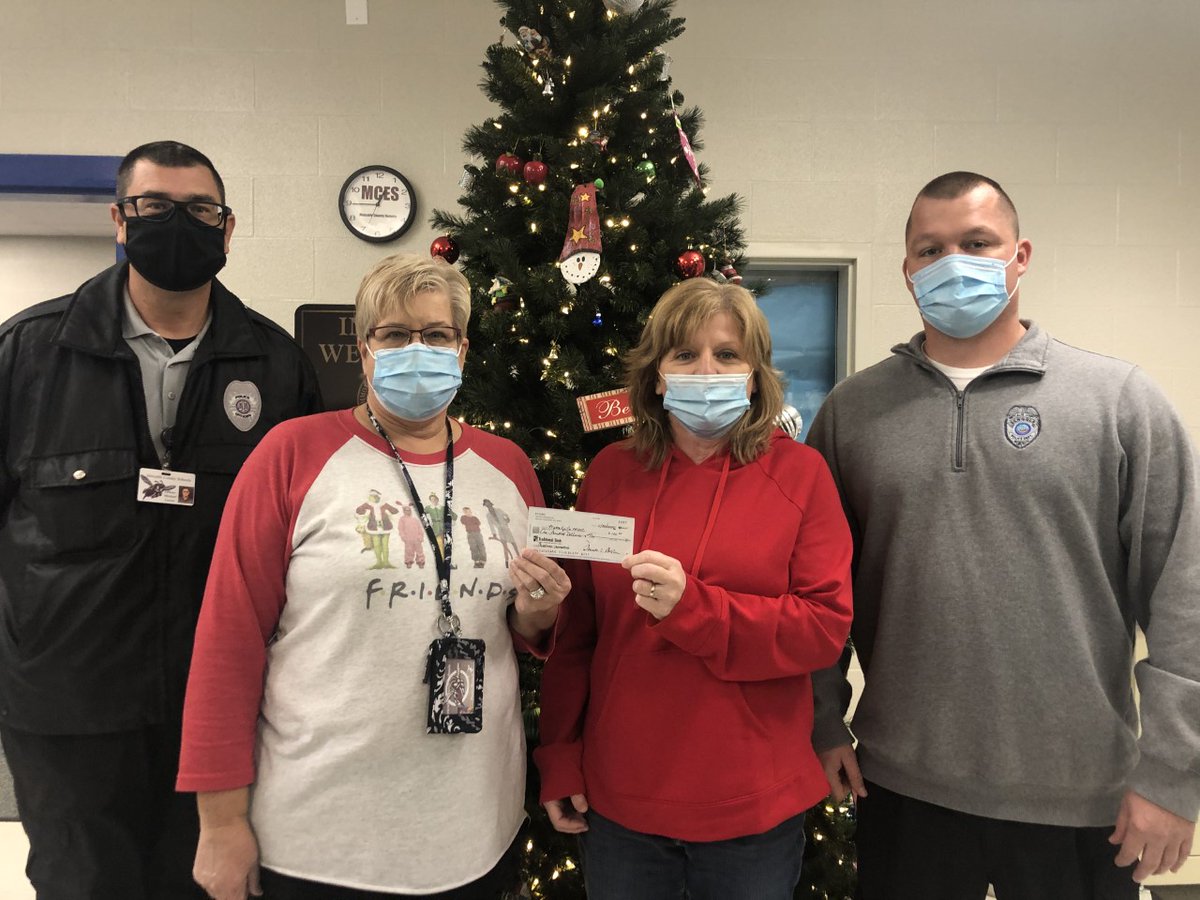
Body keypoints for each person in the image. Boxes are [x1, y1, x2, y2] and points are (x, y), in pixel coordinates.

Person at [807, 171, 1200, 899]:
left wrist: (1174, 775)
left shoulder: (1119, 403)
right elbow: (818, 590)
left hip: (1081, 799)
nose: (952, 261)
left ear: (1019, 256)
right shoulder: (852, 413)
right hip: (902, 789)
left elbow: (1186, 596)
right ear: (907, 270)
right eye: (930, 249)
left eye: (976, 243)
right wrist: (824, 718)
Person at [177, 253, 570, 900]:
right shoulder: (291, 455)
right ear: (363, 351)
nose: (418, 349)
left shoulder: (508, 466)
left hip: (473, 829)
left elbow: (516, 625)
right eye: (394, 335)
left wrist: (536, 613)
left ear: (464, 350)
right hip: (322, 837)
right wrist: (220, 823)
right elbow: (227, 645)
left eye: (437, 335)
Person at [0, 140, 321, 899]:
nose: (179, 224)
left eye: (200, 210)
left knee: (210, 885)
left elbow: (304, 541)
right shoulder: (29, 354)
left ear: (228, 229)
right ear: (119, 219)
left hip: (217, 711)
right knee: (83, 884)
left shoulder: (276, 367)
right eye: (153, 208)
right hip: (68, 708)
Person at [536, 278, 854, 900]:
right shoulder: (609, 474)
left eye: (727, 355)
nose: (706, 370)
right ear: (656, 376)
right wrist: (560, 755)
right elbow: (579, 636)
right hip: (621, 802)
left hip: (752, 807)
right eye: (684, 355)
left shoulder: (801, 473)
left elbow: (823, 629)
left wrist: (695, 609)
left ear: (756, 374)